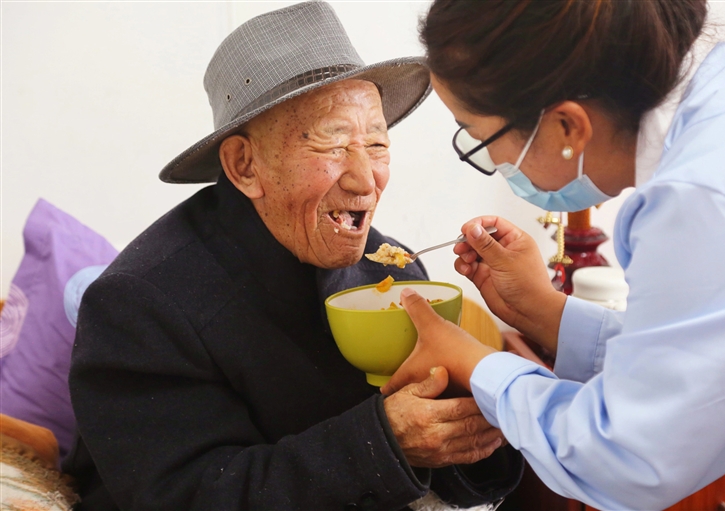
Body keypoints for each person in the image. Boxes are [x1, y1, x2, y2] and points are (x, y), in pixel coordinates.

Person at [62, 2, 525, 510]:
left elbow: (434, 456)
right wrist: (384, 443)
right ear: (245, 166)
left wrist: (482, 411)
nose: (366, 180)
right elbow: (186, 495)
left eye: (376, 143)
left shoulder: (388, 270)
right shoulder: (138, 303)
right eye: (332, 144)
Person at [382, 1, 725, 509]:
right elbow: (700, 354)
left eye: (479, 136)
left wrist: (475, 364)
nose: (493, 160)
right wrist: (547, 313)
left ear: (567, 126)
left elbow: (625, 458)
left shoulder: (703, 200)